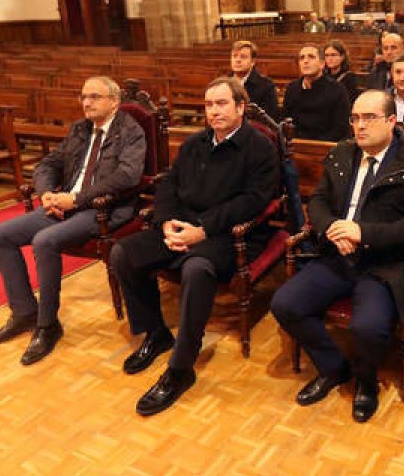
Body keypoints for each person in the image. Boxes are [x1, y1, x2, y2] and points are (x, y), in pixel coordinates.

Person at [110, 78, 280, 416]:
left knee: (196, 268)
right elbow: (169, 183)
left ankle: (181, 367)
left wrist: (202, 231)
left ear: (240, 107)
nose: (213, 111)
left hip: (231, 235)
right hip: (184, 225)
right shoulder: (195, 143)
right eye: (208, 105)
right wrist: (166, 222)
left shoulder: (259, 147)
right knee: (123, 253)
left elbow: (254, 200)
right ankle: (156, 333)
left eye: (221, 104)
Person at [271, 90, 404, 424]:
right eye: (355, 118)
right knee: (285, 304)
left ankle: (366, 382)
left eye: (369, 118)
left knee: (368, 328)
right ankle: (334, 368)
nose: (359, 126)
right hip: (337, 254)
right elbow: (317, 203)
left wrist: (363, 233)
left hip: (382, 263)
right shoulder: (342, 153)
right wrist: (333, 227)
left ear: (391, 121)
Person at [0, 76, 147, 365]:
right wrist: (46, 194)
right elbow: (49, 163)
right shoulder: (80, 129)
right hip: (66, 204)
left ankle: (47, 325)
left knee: (45, 240)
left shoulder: (130, 131)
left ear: (114, 101)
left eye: (95, 97)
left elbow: (128, 176)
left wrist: (77, 199)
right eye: (84, 96)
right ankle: (24, 313)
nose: (86, 102)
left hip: (104, 210)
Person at [282, 45, 351, 141]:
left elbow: (341, 128)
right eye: (302, 58)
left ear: (322, 63)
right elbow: (285, 120)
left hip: (326, 147)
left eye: (311, 57)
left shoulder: (337, 89)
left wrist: (316, 146)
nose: (306, 61)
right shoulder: (292, 88)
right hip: (295, 146)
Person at [229, 40, 280, 121]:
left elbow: (269, 119)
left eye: (243, 57)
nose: (238, 60)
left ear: (253, 62)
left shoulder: (266, 86)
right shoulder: (222, 84)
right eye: (234, 56)